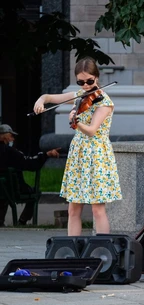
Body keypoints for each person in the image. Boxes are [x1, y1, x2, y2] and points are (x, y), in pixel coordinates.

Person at [33, 57, 122, 236]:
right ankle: (73, 251)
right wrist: (41, 100)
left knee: (97, 210)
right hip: (79, 153)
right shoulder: (79, 96)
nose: (86, 86)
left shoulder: (104, 102)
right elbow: (51, 97)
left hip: (97, 154)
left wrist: (75, 122)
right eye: (81, 82)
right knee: (73, 210)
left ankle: (102, 250)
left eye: (90, 81)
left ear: (96, 77)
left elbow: (91, 130)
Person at [0, 124, 60, 226]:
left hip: (3, 189)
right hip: (14, 190)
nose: (12, 139)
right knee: (34, 191)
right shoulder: (10, 152)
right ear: (4, 136)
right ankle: (22, 221)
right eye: (11, 136)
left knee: (3, 190)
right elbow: (30, 164)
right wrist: (47, 154)